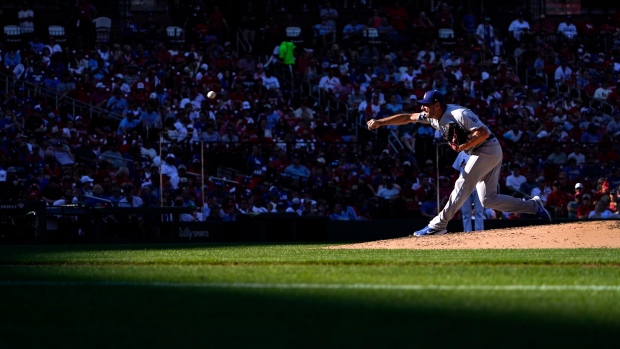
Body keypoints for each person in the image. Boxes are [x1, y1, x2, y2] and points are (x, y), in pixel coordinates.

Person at [367, 90, 551, 236]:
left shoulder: (459, 113)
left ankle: (438, 225)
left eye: (426, 105)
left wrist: (464, 146)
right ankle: (534, 206)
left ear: (437, 105)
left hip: (487, 148)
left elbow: (484, 133)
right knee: (488, 200)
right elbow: (407, 117)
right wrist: (380, 122)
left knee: (462, 183)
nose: (423, 108)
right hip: (480, 151)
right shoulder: (432, 117)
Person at [452, 151, 484, 232]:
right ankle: (467, 232)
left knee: (479, 211)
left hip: (478, 185)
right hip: (464, 186)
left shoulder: (481, 152)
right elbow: (456, 172)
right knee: (466, 212)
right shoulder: (461, 154)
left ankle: (479, 232)